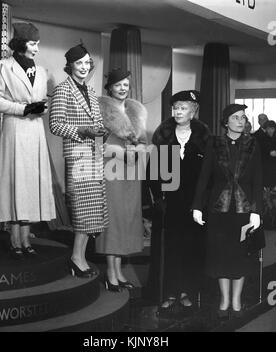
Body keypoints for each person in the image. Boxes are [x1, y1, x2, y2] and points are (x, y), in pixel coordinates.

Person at [0, 22, 56, 259]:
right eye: (33, 43)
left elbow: (43, 101)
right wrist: (23, 109)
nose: (37, 48)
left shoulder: (43, 70)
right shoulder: (3, 66)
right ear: (21, 43)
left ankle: (27, 239)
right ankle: (15, 239)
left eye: (38, 43)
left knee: (31, 185)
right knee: (16, 182)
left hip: (35, 130)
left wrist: (41, 108)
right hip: (15, 128)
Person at [193, 103, 262, 318]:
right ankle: (224, 300)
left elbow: (258, 179)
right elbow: (204, 177)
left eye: (243, 117)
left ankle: (236, 300)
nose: (241, 121)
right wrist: (196, 206)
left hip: (244, 210)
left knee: (240, 255)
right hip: (218, 209)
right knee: (220, 256)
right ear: (226, 121)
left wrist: (256, 210)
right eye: (236, 117)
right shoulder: (214, 143)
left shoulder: (253, 143)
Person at [49, 44, 108, 278]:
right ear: (70, 66)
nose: (84, 67)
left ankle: (80, 257)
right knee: (84, 210)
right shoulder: (63, 90)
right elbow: (55, 124)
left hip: (94, 154)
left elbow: (97, 121)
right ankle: (76, 258)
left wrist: (101, 130)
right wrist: (83, 130)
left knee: (92, 210)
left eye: (87, 63)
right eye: (79, 63)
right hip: (77, 154)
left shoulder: (91, 91)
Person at [148, 90, 210, 312]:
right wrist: (157, 199)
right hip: (169, 204)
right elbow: (153, 172)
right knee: (168, 249)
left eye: (183, 108)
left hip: (195, 204)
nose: (178, 112)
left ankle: (188, 291)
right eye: (175, 107)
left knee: (191, 249)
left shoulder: (204, 137)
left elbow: (208, 174)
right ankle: (168, 292)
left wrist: (202, 204)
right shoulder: (163, 135)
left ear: (193, 111)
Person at [95, 69, 147, 292]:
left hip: (132, 172)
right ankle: (110, 273)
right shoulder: (99, 109)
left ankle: (118, 272)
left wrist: (138, 150)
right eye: (118, 85)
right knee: (114, 220)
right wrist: (119, 152)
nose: (123, 88)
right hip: (112, 169)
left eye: (126, 84)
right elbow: (97, 144)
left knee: (127, 219)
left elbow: (143, 141)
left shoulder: (136, 110)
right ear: (110, 88)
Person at [260, 120, 276, 188]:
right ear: (265, 129)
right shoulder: (262, 139)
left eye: (272, 128)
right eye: (268, 128)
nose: (270, 130)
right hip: (267, 169)